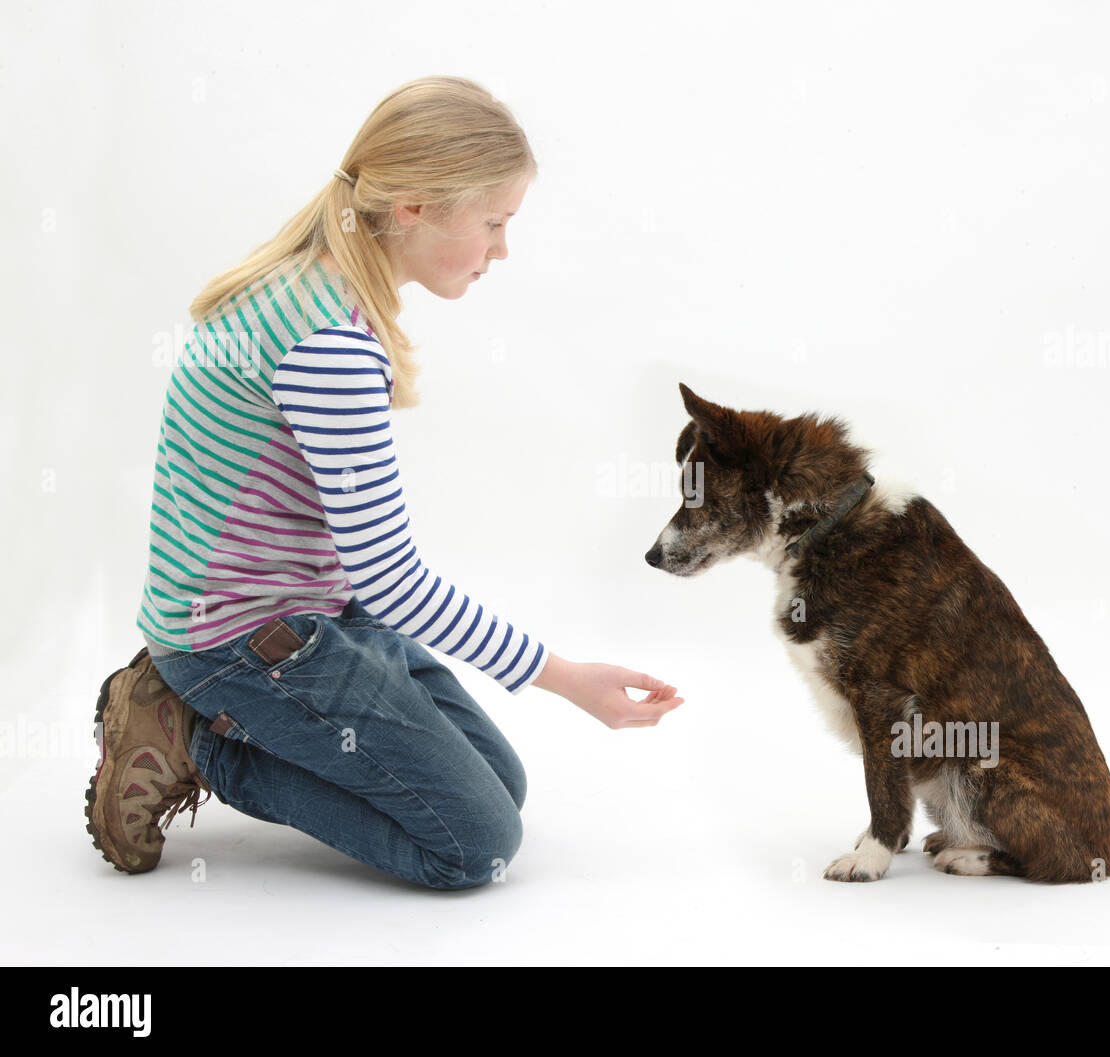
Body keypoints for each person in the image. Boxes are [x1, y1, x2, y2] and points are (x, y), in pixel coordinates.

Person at [85, 75, 683, 890]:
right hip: (236, 644)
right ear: (412, 209)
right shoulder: (329, 343)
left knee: (502, 785)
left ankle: (233, 718)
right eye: (495, 223)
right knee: (475, 845)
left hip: (309, 607)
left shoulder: (310, 279)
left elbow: (366, 569)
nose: (503, 250)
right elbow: (394, 582)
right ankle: (200, 739)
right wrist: (567, 677)